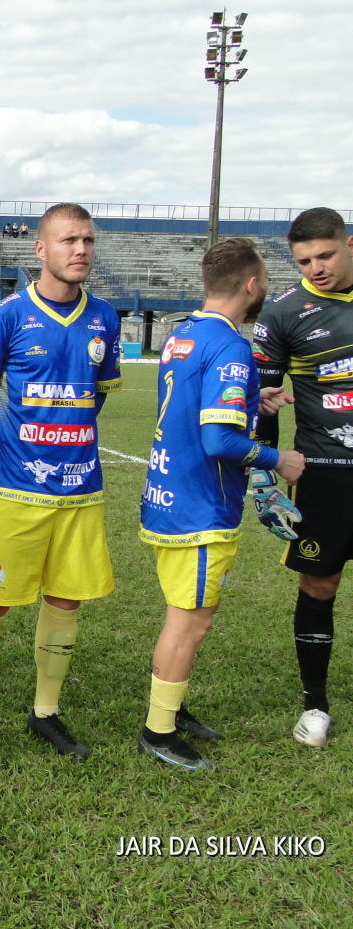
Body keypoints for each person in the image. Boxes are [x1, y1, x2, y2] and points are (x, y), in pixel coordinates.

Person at [0, 203, 121, 764]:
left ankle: (46, 712)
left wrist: (72, 435)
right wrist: (7, 449)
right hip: (17, 490)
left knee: (66, 599)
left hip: (81, 488)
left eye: (87, 240)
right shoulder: (6, 316)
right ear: (41, 249)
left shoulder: (104, 317)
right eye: (68, 241)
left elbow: (99, 391)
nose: (80, 250)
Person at [139, 238, 304, 770]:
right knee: (188, 621)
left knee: (192, 617)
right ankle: (158, 732)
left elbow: (193, 404)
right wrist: (280, 458)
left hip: (168, 493)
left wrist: (255, 400)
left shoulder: (183, 333)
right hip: (200, 505)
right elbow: (219, 441)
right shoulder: (232, 346)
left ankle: (173, 705)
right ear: (252, 285)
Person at [253, 206, 353, 747]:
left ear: (350, 245)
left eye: (325, 255)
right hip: (325, 473)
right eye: (304, 260)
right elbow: (264, 404)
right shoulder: (283, 314)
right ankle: (315, 705)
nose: (315, 267)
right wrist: (265, 478)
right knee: (320, 582)